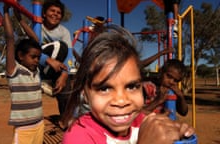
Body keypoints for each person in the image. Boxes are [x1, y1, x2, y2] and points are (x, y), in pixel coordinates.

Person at [61, 24, 194, 143]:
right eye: (105, 88)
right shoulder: (78, 136)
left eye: (131, 86)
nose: (121, 101)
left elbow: (181, 112)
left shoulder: (140, 121)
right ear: (85, 93)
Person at [15, 0, 74, 123]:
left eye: (59, 13)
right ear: (44, 14)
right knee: (54, 46)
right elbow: (30, 49)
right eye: (52, 11)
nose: (55, 14)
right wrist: (47, 59)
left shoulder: (64, 32)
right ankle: (41, 82)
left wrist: (64, 75)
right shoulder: (37, 26)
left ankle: (65, 118)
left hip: (56, 68)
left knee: (66, 87)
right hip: (38, 66)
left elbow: (69, 56)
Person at [3, 5, 44, 144]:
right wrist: (6, 11)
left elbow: (35, 40)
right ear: (20, 56)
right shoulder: (15, 71)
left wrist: (20, 19)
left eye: (38, 57)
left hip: (39, 124)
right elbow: (10, 39)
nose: (37, 61)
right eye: (33, 57)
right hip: (23, 129)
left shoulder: (35, 71)